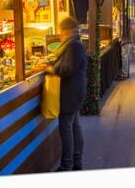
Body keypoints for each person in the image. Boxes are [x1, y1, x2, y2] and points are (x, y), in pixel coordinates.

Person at [46, 17, 87, 171]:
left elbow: (67, 70)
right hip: (75, 92)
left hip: (70, 93)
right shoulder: (75, 44)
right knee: (74, 126)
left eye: (62, 31)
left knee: (66, 128)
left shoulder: (74, 46)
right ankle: (76, 162)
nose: (60, 35)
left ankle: (66, 164)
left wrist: (49, 69)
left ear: (68, 31)